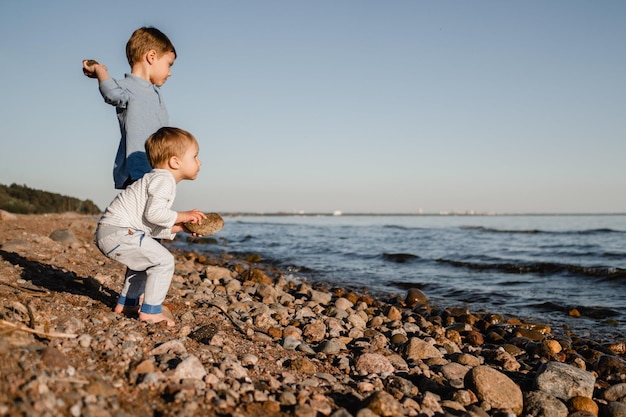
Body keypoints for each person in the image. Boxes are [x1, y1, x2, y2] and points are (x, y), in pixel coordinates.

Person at [94, 127, 206, 326]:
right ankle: (151, 311)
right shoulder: (164, 180)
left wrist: (180, 227)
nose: (200, 162)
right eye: (195, 156)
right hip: (119, 232)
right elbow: (154, 214)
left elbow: (149, 224)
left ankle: (127, 303)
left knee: (142, 264)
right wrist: (183, 215)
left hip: (115, 232)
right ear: (175, 161)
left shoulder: (155, 178)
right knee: (163, 261)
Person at [83, 27, 177, 189]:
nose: (170, 73)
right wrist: (100, 70)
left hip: (157, 169)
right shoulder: (127, 87)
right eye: (169, 65)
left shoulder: (155, 93)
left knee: (154, 210)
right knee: (146, 211)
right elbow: (112, 94)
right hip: (137, 169)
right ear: (152, 56)